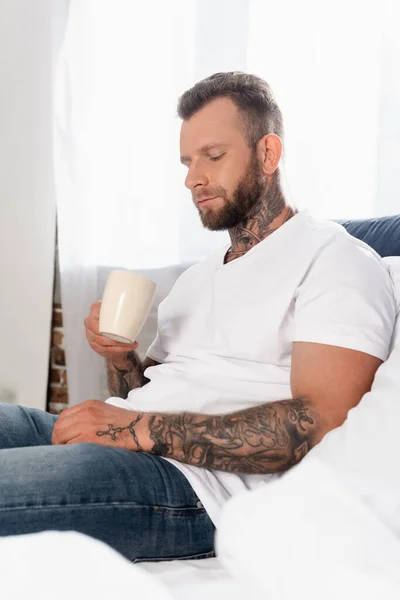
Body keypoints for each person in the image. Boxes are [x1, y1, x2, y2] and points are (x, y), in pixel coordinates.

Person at [0, 72, 396, 562]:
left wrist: (134, 429)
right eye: (188, 163)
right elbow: (147, 393)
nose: (193, 179)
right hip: (133, 445)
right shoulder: (196, 278)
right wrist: (123, 360)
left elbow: (318, 423)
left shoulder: (337, 260)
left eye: (213, 156)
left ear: (268, 154)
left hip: (196, 487)